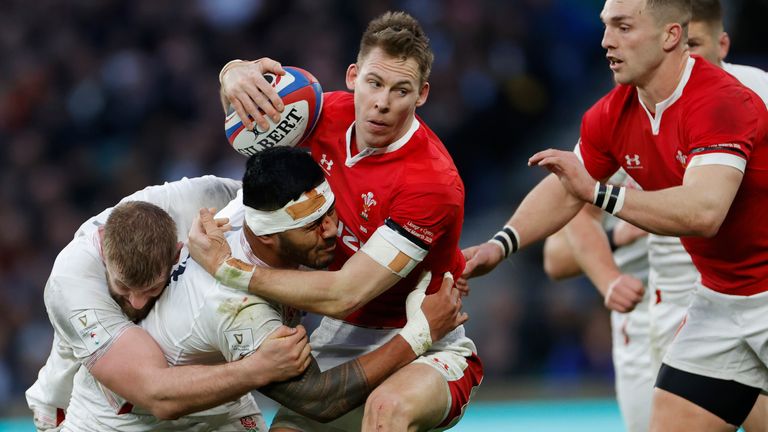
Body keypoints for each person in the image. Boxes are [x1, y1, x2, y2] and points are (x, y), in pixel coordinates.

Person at [461, 0, 768, 429]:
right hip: (718, 302)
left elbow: (704, 211)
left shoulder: (724, 100)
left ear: (670, 36)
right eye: (606, 27)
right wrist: (501, 244)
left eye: (623, 27)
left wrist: (601, 194)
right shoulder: (613, 112)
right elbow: (568, 189)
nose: (606, 41)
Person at [198, 11, 483, 431]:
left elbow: (345, 292)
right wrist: (233, 74)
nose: (383, 102)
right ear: (353, 76)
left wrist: (229, 269)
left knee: (386, 411)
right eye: (374, 83)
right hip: (346, 334)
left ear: (422, 94)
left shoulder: (432, 182)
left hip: (429, 336)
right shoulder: (315, 113)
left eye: (401, 90)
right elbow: (246, 119)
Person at [60, 146, 465, 431]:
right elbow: (320, 400)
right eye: (312, 227)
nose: (331, 233)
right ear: (270, 238)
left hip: (208, 410)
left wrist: (236, 72)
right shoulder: (239, 310)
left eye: (329, 214)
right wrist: (419, 334)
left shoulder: (249, 209)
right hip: (122, 423)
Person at [26, 176, 311, 431]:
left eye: (150, 288)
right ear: (103, 249)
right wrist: (257, 368)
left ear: (177, 252)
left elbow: (271, 198)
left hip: (213, 403)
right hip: (106, 413)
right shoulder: (73, 281)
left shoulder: (194, 201)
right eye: (123, 288)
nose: (137, 303)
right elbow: (155, 394)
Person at [543, 170, 652, 432]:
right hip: (640, 331)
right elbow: (554, 258)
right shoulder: (612, 152)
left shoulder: (711, 149)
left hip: (715, 313)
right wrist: (614, 238)